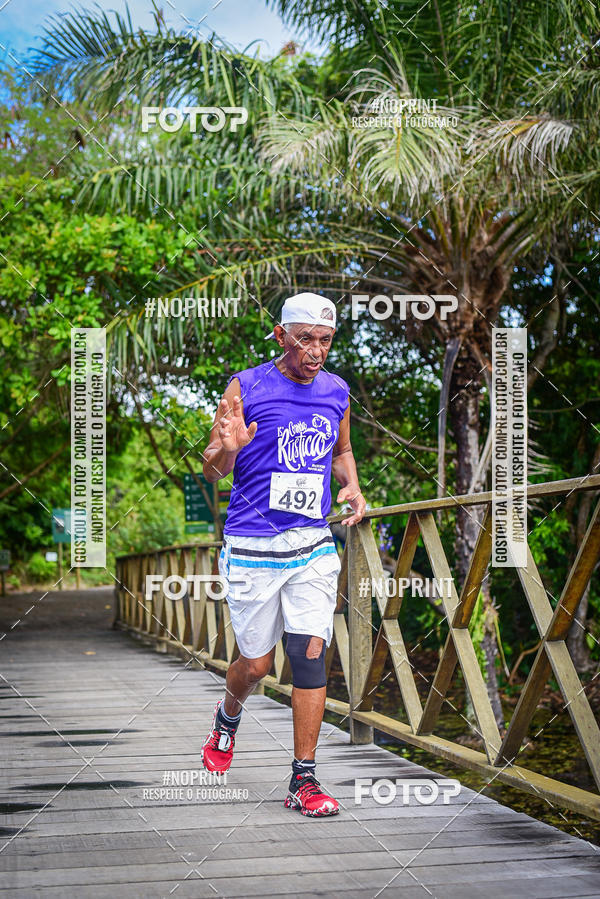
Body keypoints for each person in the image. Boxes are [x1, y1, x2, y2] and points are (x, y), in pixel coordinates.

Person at [201, 292, 366, 817]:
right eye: (306, 340)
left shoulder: (336, 391)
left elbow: (340, 450)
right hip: (252, 545)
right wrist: (227, 447)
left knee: (309, 654)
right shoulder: (246, 386)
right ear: (281, 335)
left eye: (326, 340)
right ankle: (229, 715)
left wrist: (353, 489)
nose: (316, 351)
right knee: (256, 664)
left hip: (312, 544)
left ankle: (304, 779)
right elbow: (212, 470)